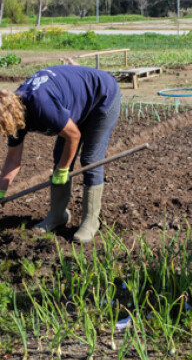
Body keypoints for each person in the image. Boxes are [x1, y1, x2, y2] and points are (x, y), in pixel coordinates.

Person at [0, 64, 123, 244]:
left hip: (102, 97)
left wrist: (63, 170)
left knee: (90, 159)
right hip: (78, 102)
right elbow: (12, 160)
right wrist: (1, 191)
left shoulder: (41, 106)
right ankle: (57, 215)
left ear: (10, 119)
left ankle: (90, 220)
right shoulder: (15, 111)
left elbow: (73, 135)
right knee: (60, 156)